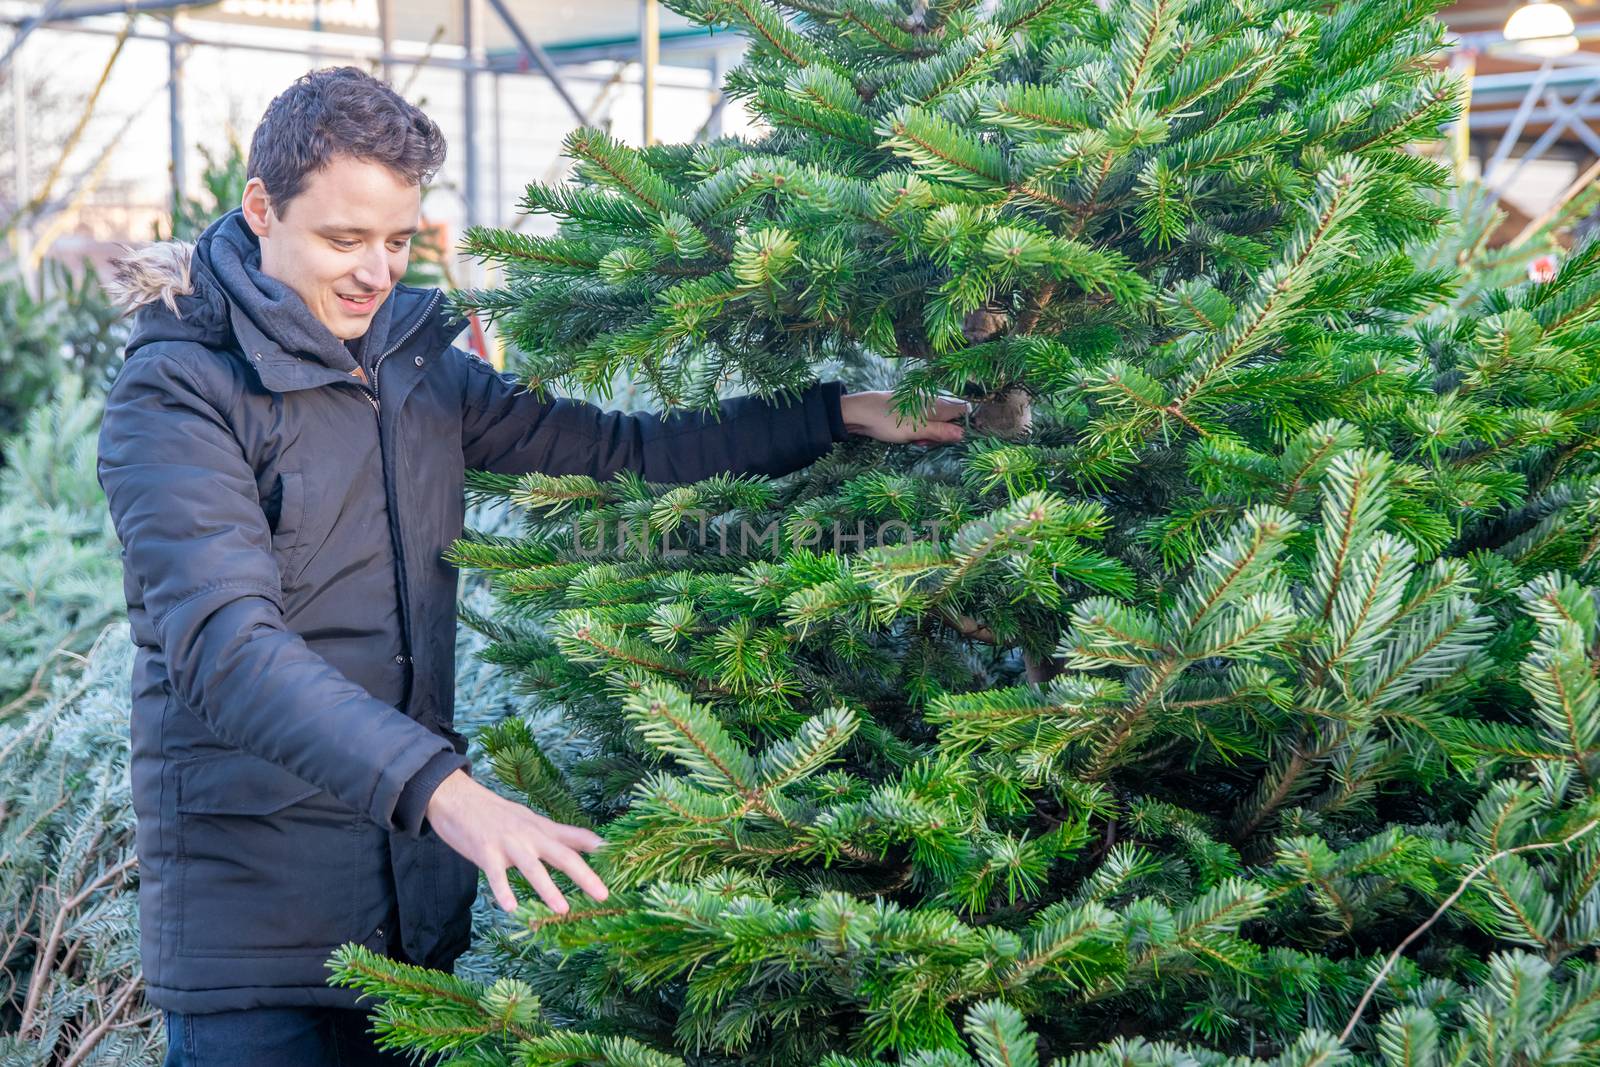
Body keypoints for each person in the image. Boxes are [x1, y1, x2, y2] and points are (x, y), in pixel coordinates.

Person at [97, 66, 970, 1067]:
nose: (375, 272)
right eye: (345, 239)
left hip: (408, 930)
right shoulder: (177, 393)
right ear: (262, 209)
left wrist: (831, 413)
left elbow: (622, 450)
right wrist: (452, 794)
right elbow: (226, 650)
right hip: (252, 942)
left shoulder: (412, 369)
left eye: (396, 241)